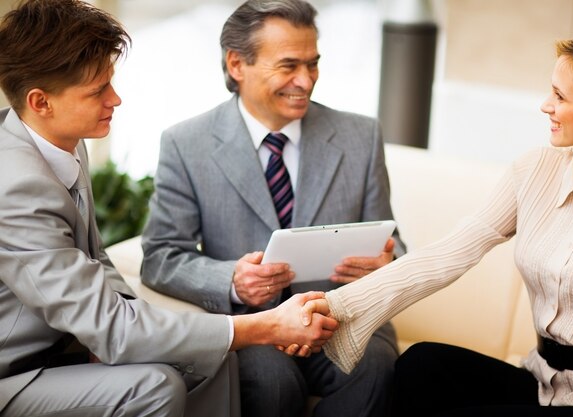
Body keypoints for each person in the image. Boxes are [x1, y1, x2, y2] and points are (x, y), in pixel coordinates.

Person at [0, 1, 337, 416]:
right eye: (97, 91)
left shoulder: (60, 138)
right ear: (41, 101)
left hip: (62, 349)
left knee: (210, 357)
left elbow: (95, 262)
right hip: (13, 374)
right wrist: (263, 326)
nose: (115, 99)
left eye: (111, 83)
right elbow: (118, 312)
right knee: (153, 386)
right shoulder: (14, 186)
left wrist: (115, 332)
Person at [301, 31, 573, 417]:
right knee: (421, 365)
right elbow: (448, 254)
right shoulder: (535, 170)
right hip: (542, 383)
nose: (545, 105)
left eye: (560, 96)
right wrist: (334, 305)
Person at [140, 0, 406, 416]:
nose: (306, 80)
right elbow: (159, 258)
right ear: (236, 64)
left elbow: (397, 249)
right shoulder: (185, 144)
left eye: (313, 64)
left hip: (344, 319)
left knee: (376, 366)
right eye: (288, 66)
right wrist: (231, 279)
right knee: (268, 380)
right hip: (255, 324)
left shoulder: (361, 136)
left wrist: (385, 265)